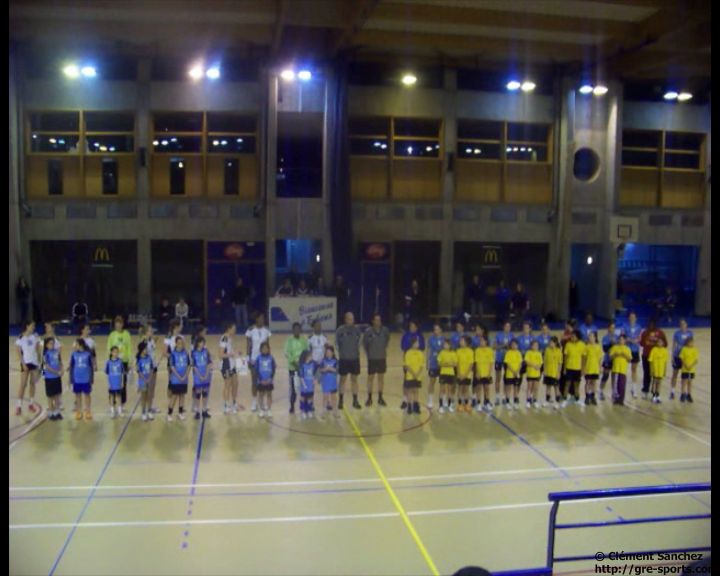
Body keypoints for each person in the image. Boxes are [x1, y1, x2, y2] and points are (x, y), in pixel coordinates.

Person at [336, 312, 362, 410]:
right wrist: (343, 353)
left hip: (354, 359)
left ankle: (355, 401)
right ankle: (341, 401)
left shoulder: (357, 331)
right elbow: (337, 344)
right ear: (346, 319)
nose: (352, 320)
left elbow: (359, 343)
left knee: (354, 380)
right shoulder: (340, 330)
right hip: (344, 359)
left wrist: (355, 352)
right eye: (350, 319)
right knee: (342, 380)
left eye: (353, 318)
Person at [363, 314, 390, 407]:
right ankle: (369, 398)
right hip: (372, 359)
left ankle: (380, 398)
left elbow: (387, 341)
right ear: (373, 321)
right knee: (370, 378)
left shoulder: (385, 331)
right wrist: (370, 354)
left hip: (382, 358)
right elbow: (365, 344)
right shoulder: (368, 332)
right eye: (376, 320)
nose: (378, 322)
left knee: (381, 379)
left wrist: (381, 350)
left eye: (379, 320)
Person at [15, 321, 41, 416]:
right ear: (27, 326)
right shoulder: (21, 337)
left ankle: (31, 404)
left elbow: (38, 350)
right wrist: (23, 364)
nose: (34, 327)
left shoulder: (35, 336)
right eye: (32, 325)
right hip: (26, 363)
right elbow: (18, 352)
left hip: (34, 363)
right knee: (23, 384)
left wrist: (39, 363)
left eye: (34, 325)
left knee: (33, 384)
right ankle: (18, 406)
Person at [246, 313, 271, 413]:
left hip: (264, 360)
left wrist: (269, 358)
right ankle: (254, 401)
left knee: (264, 381)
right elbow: (248, 345)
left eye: (263, 318)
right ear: (256, 319)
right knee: (254, 381)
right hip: (254, 359)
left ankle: (263, 401)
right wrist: (248, 358)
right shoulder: (250, 330)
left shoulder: (266, 330)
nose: (262, 320)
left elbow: (268, 345)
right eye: (260, 318)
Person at [107, 316, 132, 410]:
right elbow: (109, 348)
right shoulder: (112, 335)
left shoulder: (127, 334)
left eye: (120, 324)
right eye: (116, 324)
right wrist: (111, 360)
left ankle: (122, 403)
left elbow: (129, 348)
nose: (118, 326)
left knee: (123, 384)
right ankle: (112, 403)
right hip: (114, 363)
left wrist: (129, 361)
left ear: (122, 324)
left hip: (124, 362)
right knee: (113, 384)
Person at [639, 319, 667, 400]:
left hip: (657, 359)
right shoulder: (645, 332)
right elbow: (641, 343)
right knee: (647, 374)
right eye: (650, 323)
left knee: (656, 377)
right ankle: (645, 390)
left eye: (652, 323)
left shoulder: (660, 333)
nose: (651, 325)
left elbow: (665, 343)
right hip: (646, 356)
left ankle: (655, 392)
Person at [284, 322, 308, 414]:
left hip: (303, 368)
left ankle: (305, 405)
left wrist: (302, 364)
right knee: (293, 389)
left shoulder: (304, 341)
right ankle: (292, 406)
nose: (297, 331)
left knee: (305, 388)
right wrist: (294, 363)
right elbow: (287, 353)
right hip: (293, 368)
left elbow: (306, 352)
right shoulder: (289, 341)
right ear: (292, 330)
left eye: (298, 329)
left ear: (300, 330)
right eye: (295, 329)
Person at [167, 336, 190, 421]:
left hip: (184, 379)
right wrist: (179, 377)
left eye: (182, 343)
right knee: (174, 396)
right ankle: (169, 414)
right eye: (179, 343)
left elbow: (188, 365)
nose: (181, 345)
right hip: (176, 380)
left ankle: (180, 413)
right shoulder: (173, 354)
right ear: (176, 343)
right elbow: (172, 367)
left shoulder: (186, 353)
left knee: (182, 395)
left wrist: (185, 376)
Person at [70, 338, 94, 420]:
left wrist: (91, 378)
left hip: (86, 378)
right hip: (77, 379)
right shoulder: (74, 354)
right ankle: (78, 411)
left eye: (76, 344)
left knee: (87, 395)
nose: (74, 346)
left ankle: (88, 411)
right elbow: (72, 367)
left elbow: (91, 367)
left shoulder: (88, 354)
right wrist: (71, 378)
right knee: (78, 395)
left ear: (80, 345)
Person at [670, 319, 693, 400]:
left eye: (684, 324)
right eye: (681, 324)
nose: (682, 325)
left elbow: (692, 345)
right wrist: (672, 355)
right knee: (675, 374)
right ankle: (672, 391)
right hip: (677, 356)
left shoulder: (690, 333)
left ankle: (685, 393)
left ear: (686, 324)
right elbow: (673, 344)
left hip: (686, 357)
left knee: (686, 376)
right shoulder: (676, 333)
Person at [220, 323, 240, 414]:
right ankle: (225, 405)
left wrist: (236, 353)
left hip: (232, 365)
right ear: (229, 329)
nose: (235, 330)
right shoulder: (224, 338)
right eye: (233, 328)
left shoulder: (230, 339)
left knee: (235, 383)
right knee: (227, 385)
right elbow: (220, 354)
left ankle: (234, 403)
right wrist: (231, 354)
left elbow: (229, 351)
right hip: (226, 365)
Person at [41, 337, 64, 421]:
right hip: (49, 378)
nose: (52, 345)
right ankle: (51, 412)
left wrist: (62, 369)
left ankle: (57, 412)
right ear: (46, 345)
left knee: (57, 395)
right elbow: (46, 366)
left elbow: (60, 362)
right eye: (50, 343)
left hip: (57, 377)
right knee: (50, 396)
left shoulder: (57, 352)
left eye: (53, 343)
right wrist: (55, 372)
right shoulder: (45, 354)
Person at [621, 312, 642, 397]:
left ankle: (634, 388)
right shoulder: (624, 326)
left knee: (634, 369)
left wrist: (636, 340)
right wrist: (629, 340)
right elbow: (622, 337)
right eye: (630, 317)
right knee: (623, 369)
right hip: (626, 350)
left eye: (633, 317)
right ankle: (621, 388)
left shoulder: (639, 327)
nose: (632, 318)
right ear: (628, 318)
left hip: (635, 350)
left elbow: (640, 337)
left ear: (636, 318)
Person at [562, 329, 586, 407]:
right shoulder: (568, 344)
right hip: (569, 367)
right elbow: (565, 357)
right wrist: (565, 368)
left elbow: (583, 358)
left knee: (576, 384)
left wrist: (583, 369)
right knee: (567, 384)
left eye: (574, 336)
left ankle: (577, 399)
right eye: (571, 336)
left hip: (578, 368)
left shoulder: (582, 345)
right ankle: (565, 399)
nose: (572, 337)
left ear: (578, 337)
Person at [191, 336, 213, 419]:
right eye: (201, 342)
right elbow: (194, 366)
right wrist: (200, 376)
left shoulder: (206, 351)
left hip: (206, 375)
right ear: (197, 343)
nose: (203, 344)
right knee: (197, 393)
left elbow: (209, 363)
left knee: (205, 393)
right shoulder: (193, 352)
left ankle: (204, 410)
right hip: (198, 376)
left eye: (204, 342)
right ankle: (197, 411)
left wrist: (206, 374)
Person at [139, 325, 158, 415]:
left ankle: (150, 407)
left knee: (151, 389)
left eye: (152, 331)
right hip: (146, 369)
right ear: (146, 333)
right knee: (145, 390)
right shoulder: (143, 342)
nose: (152, 332)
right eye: (150, 331)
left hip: (153, 367)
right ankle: (145, 409)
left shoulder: (152, 341)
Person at [493, 321, 514, 406]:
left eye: (509, 327)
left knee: (507, 379)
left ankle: (506, 397)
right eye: (506, 326)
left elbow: (513, 347)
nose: (507, 328)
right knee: (498, 378)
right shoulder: (498, 335)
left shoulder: (512, 336)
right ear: (503, 327)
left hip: (508, 360)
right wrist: (503, 345)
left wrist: (507, 346)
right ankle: (497, 397)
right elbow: (494, 347)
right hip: (499, 359)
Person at [403, 337, 425, 415]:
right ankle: (409, 406)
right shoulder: (408, 353)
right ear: (412, 344)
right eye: (416, 343)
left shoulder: (420, 353)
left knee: (416, 390)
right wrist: (413, 373)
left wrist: (417, 374)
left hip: (418, 376)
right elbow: (407, 365)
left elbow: (421, 365)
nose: (418, 344)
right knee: (410, 391)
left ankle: (415, 405)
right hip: (410, 376)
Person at [426, 323, 445, 410]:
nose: (436, 331)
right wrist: (427, 362)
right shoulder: (430, 339)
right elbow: (428, 350)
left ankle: (442, 401)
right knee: (432, 382)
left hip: (442, 364)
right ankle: (430, 400)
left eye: (437, 329)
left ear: (441, 330)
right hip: (433, 363)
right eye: (434, 329)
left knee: (442, 383)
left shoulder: (444, 339)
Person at [255, 342, 276, 418]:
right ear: (261, 349)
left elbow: (273, 369)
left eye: (266, 348)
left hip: (269, 381)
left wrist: (270, 379)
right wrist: (261, 380)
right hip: (261, 381)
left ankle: (269, 409)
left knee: (269, 394)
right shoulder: (258, 358)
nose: (265, 350)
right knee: (260, 395)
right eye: (263, 348)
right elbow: (256, 370)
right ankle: (261, 410)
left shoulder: (271, 358)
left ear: (269, 349)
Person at [609, 335, 632, 406]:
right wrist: (615, 354)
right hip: (616, 369)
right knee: (615, 385)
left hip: (623, 370)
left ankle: (621, 399)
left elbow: (629, 359)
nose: (621, 341)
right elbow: (610, 357)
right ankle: (615, 399)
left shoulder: (627, 349)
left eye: (622, 340)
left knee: (622, 385)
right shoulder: (614, 348)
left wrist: (624, 355)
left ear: (625, 341)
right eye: (619, 339)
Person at [474, 334, 494, 412]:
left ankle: (487, 402)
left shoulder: (490, 350)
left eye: (482, 341)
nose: (481, 342)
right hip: (480, 373)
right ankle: (478, 403)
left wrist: (489, 373)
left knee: (487, 388)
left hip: (487, 373)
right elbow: (476, 362)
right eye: (480, 341)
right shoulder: (477, 350)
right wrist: (477, 372)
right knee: (479, 388)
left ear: (486, 341)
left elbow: (491, 362)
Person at [135, 341, 154, 421]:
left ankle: (149, 410)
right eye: (145, 348)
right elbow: (139, 372)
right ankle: (143, 412)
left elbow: (152, 368)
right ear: (142, 350)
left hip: (149, 379)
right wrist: (145, 379)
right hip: (142, 380)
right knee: (143, 397)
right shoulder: (139, 360)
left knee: (149, 396)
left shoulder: (149, 358)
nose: (147, 350)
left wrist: (149, 378)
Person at [437, 339, 457, 414]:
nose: (445, 346)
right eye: (444, 344)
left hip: (451, 373)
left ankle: (449, 405)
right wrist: (448, 364)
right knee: (442, 389)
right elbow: (439, 363)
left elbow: (455, 364)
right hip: (443, 373)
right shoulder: (441, 353)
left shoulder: (453, 353)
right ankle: (441, 406)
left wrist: (446, 364)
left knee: (450, 389)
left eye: (447, 344)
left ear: (450, 345)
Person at [105, 346, 126, 418]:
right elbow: (107, 373)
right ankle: (112, 411)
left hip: (118, 383)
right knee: (111, 397)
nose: (116, 353)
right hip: (112, 384)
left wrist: (122, 382)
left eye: (117, 352)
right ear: (111, 352)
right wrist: (108, 383)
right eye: (114, 352)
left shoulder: (120, 362)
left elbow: (123, 373)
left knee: (119, 397)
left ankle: (120, 411)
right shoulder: (108, 362)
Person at [319, 345, 339, 418]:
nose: (328, 354)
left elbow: (337, 371)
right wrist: (325, 369)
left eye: (330, 352)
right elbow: (320, 370)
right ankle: (323, 411)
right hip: (325, 383)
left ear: (333, 353)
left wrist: (330, 368)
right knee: (325, 397)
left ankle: (335, 412)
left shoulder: (335, 361)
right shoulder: (323, 361)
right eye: (327, 352)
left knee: (334, 397)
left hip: (333, 383)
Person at [543, 337, 563, 408]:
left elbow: (560, 363)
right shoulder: (547, 350)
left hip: (555, 373)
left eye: (552, 342)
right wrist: (544, 370)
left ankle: (557, 402)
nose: (550, 344)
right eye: (550, 342)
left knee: (556, 388)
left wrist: (559, 373)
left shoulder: (559, 351)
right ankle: (547, 401)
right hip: (548, 372)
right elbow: (545, 361)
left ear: (555, 343)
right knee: (548, 387)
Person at [600, 322, 618, 402]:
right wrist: (612, 343)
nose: (612, 329)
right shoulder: (605, 338)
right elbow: (605, 349)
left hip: (615, 359)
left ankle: (614, 391)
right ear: (608, 328)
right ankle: (601, 391)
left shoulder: (617, 337)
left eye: (614, 328)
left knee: (614, 376)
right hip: (607, 359)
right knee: (605, 376)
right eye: (611, 328)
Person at [583, 332, 602, 406]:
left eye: (591, 336)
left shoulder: (598, 347)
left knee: (594, 383)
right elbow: (584, 359)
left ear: (595, 338)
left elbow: (599, 359)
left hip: (595, 368)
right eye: (589, 336)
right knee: (588, 382)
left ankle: (593, 397)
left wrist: (600, 368)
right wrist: (583, 368)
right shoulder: (586, 347)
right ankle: (587, 397)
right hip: (588, 368)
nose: (590, 338)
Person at [503, 339, 523, 409]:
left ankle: (515, 401)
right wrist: (513, 371)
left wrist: (517, 371)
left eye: (515, 344)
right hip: (509, 373)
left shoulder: (519, 353)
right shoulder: (508, 353)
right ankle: (507, 401)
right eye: (512, 344)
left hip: (516, 374)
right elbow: (507, 363)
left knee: (516, 388)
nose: (514, 346)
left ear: (517, 345)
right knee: (508, 388)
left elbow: (520, 363)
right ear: (510, 345)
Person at [648, 339, 668, 404]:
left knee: (659, 382)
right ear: (657, 343)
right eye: (659, 342)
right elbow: (650, 361)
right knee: (655, 381)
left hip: (661, 370)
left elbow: (665, 362)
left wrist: (665, 370)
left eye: (661, 342)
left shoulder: (665, 351)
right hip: (655, 369)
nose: (660, 343)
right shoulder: (654, 350)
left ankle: (658, 394)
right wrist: (651, 370)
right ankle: (653, 395)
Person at [678, 337, 698, 403]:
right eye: (689, 342)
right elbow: (681, 358)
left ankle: (689, 394)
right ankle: (683, 394)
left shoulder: (695, 350)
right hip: (685, 369)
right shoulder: (684, 349)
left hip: (691, 370)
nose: (691, 344)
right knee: (684, 382)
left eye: (692, 342)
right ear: (687, 343)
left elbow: (696, 360)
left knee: (690, 382)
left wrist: (691, 365)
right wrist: (685, 365)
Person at [524, 339, 543, 408]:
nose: (535, 347)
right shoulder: (528, 353)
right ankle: (528, 400)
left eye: (537, 345)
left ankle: (535, 400)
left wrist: (538, 367)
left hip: (537, 374)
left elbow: (541, 363)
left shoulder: (539, 353)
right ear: (531, 346)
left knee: (535, 388)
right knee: (529, 387)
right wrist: (534, 366)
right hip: (530, 373)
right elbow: (526, 361)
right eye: (534, 345)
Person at [298, 350, 316, 420]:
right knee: (303, 397)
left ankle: (309, 410)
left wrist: (314, 380)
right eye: (310, 356)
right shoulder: (302, 366)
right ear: (306, 357)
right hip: (304, 385)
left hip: (310, 385)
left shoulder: (312, 365)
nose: (311, 357)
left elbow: (313, 374)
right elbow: (301, 376)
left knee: (310, 398)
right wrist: (304, 384)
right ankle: (303, 411)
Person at [517, 321, 534, 391]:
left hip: (530, 360)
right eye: (524, 328)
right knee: (519, 377)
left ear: (530, 329)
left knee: (531, 378)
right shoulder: (519, 338)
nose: (525, 330)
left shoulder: (533, 338)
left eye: (527, 328)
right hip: (521, 360)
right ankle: (516, 396)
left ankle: (531, 396)